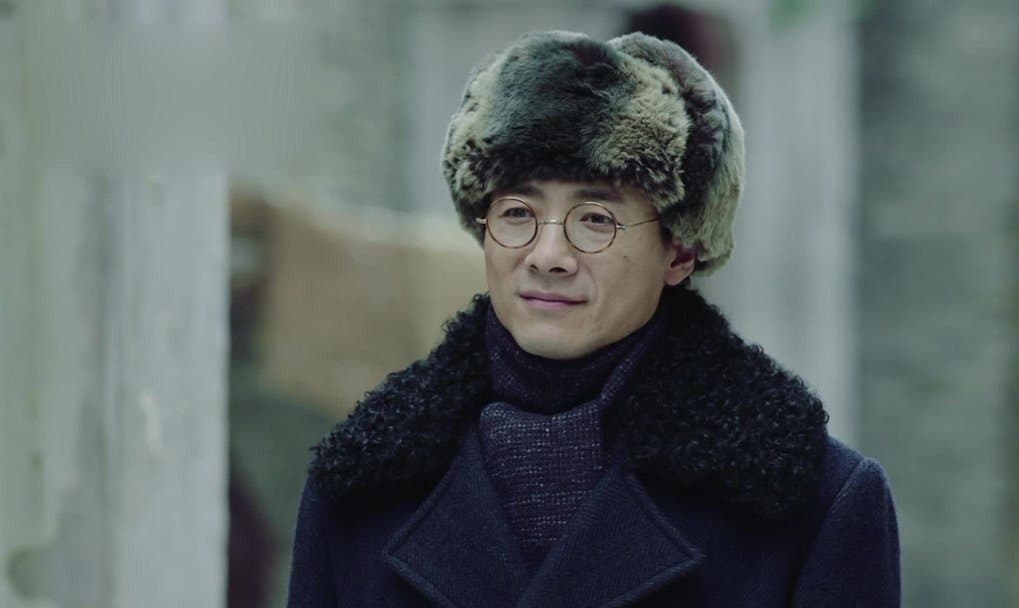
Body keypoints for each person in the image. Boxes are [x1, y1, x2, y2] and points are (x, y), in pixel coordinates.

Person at [287, 30, 900, 607]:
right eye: (518, 212)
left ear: (679, 252)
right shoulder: (361, 487)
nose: (547, 256)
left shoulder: (812, 506)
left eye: (596, 220)